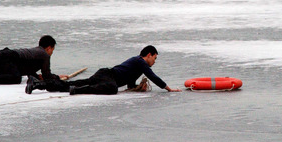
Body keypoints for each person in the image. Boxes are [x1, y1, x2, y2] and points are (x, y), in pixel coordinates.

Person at [25, 45, 181, 95]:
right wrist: (169, 89)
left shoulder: (138, 64)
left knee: (74, 83)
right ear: (148, 55)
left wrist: (135, 88)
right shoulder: (141, 62)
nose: (154, 61)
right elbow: (152, 76)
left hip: (106, 75)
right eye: (154, 58)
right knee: (111, 88)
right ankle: (77, 90)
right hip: (108, 75)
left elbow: (129, 81)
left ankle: (38, 84)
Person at [0, 35, 68, 86]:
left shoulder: (35, 52)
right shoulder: (44, 54)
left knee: (1, 72)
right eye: (52, 50)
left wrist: (35, 76)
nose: (52, 53)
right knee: (16, 78)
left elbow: (26, 67)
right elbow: (47, 75)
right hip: (7, 57)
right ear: (48, 48)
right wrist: (58, 78)